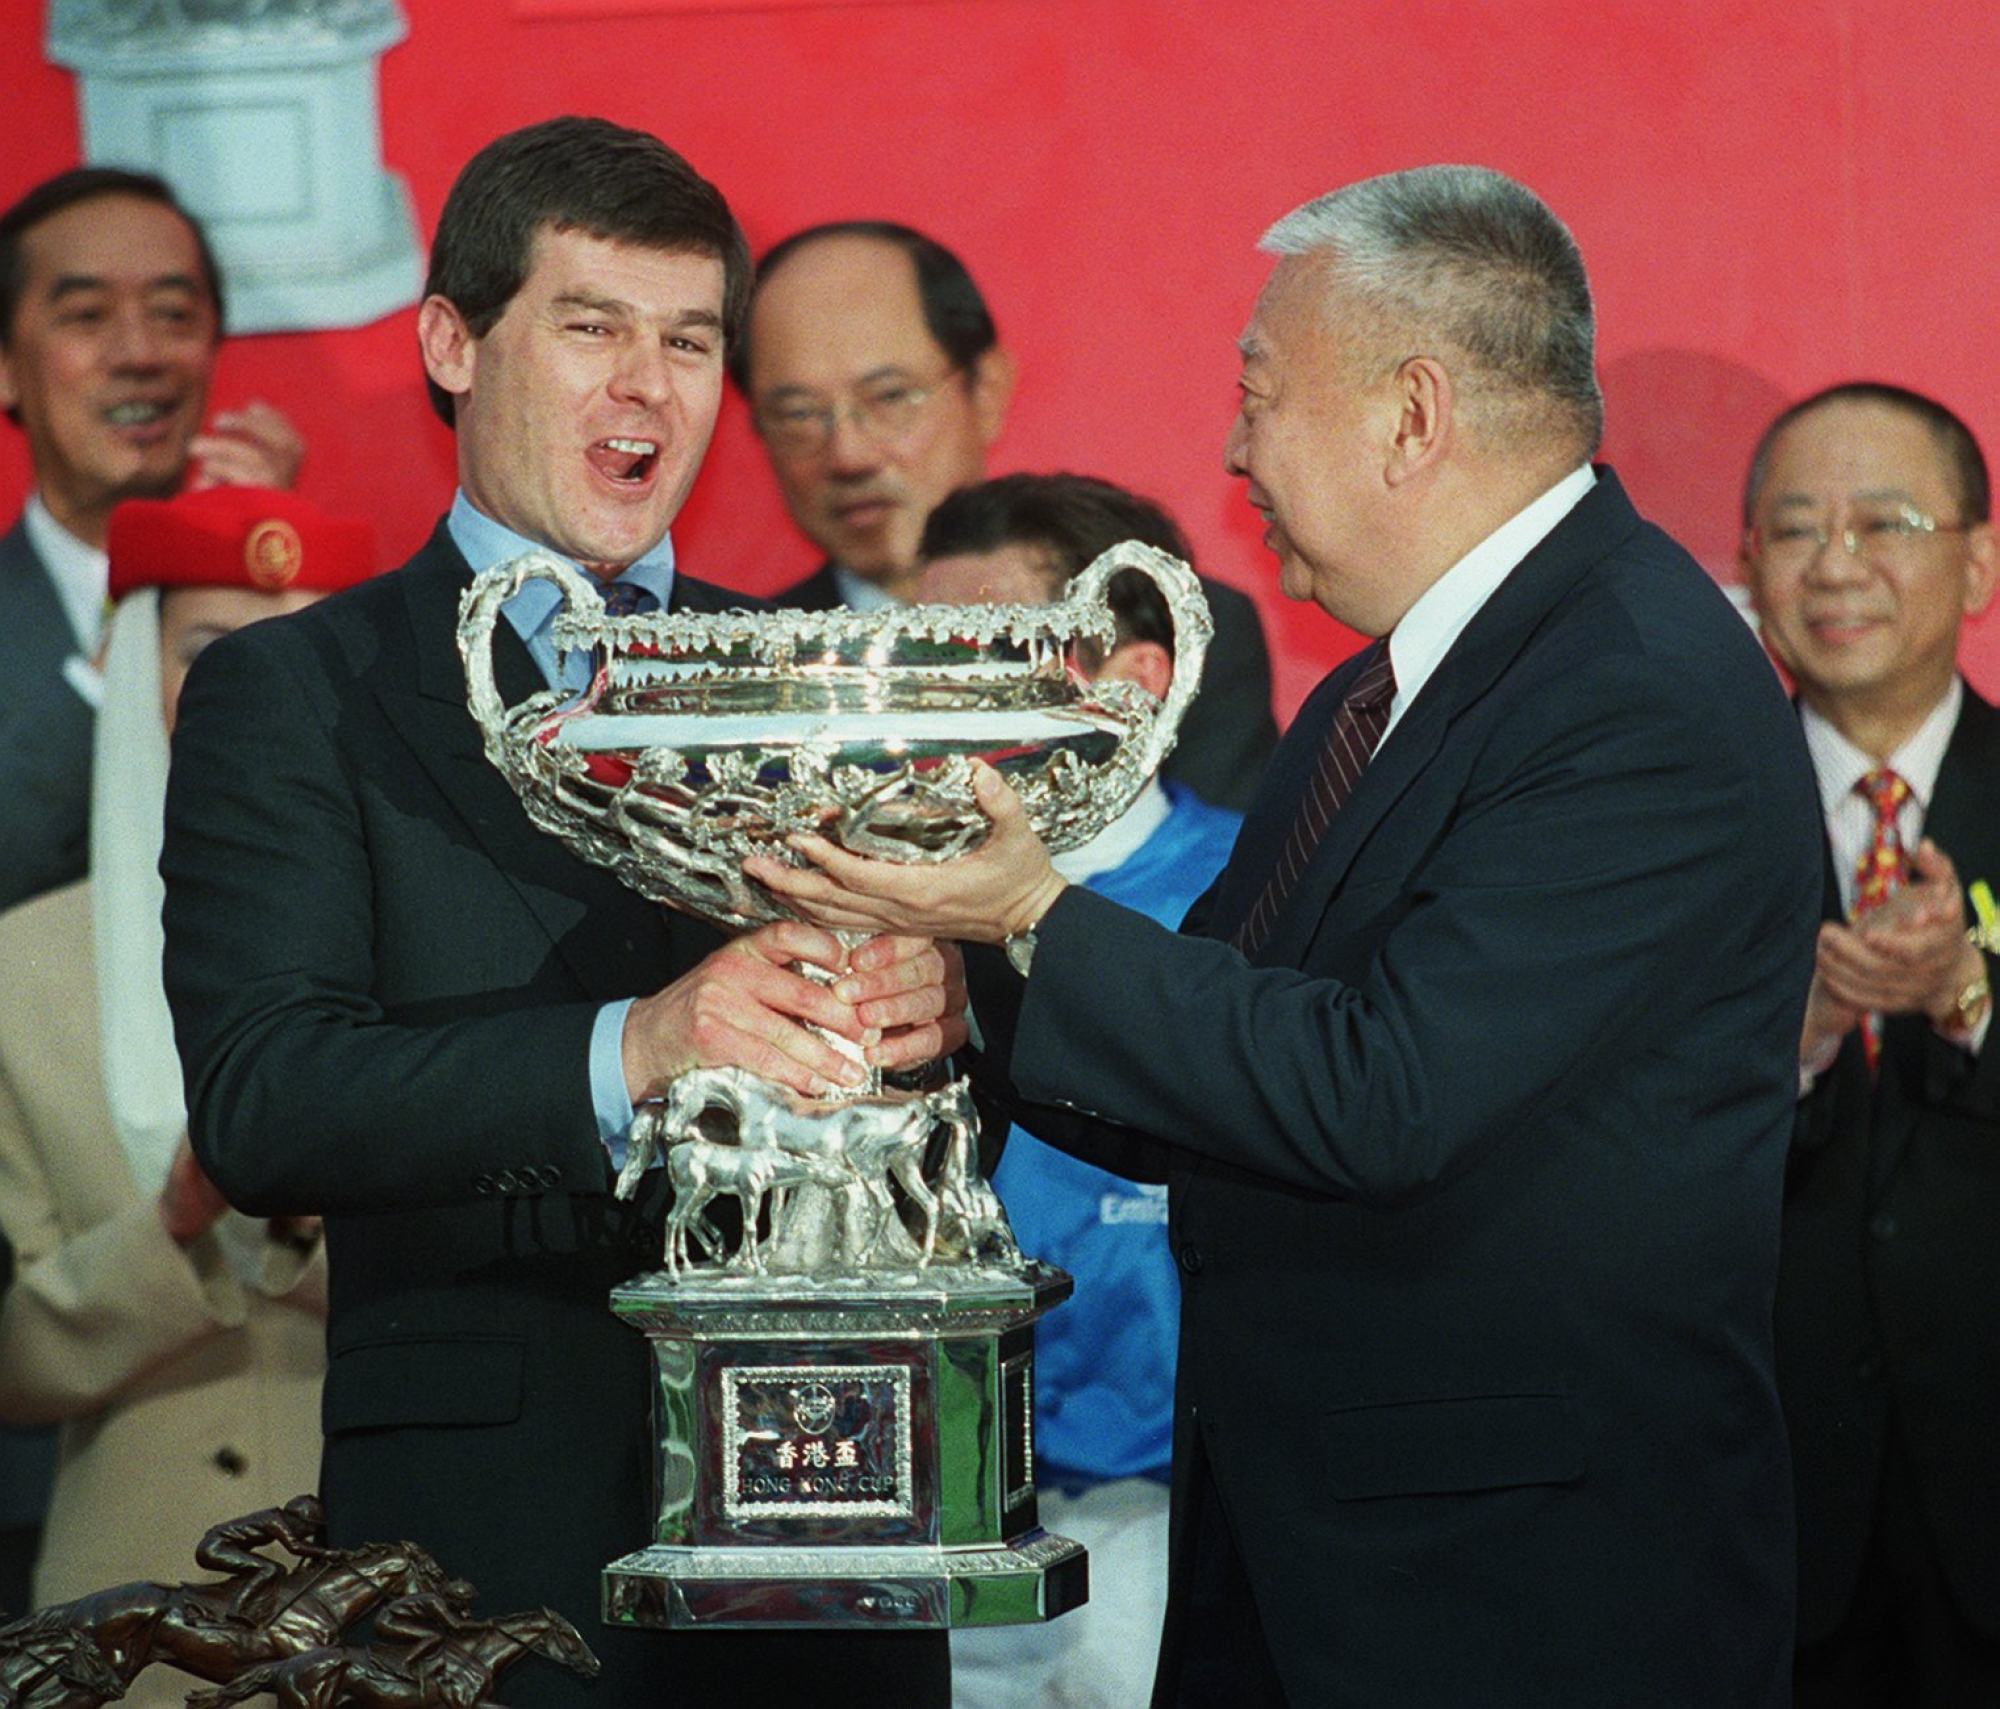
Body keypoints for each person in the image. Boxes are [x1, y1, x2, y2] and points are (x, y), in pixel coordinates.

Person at [752, 164, 1823, 1707]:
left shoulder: (1635, 688)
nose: (1234, 449)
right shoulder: (1379, 691)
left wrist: (1037, 911)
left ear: (1411, 412)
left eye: (1259, 394)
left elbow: (1383, 1093)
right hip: (1322, 1562)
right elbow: (1227, 1038)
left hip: (1521, 1596)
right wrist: (967, 989)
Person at [158, 118, 958, 1709]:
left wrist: (946, 1014)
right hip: (491, 1552)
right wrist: (633, 1045)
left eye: (687, 339)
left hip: (829, 1518)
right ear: (451, 343)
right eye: (590, 326)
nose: (646, 388)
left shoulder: (828, 677)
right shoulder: (299, 693)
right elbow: (265, 1097)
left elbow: (955, 1102)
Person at [0, 487, 361, 1700]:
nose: (261, 687)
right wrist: (178, 1218)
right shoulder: (17, 974)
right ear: (127, 660)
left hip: (382, 1591)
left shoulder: (415, 949)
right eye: (212, 651)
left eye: (300, 644)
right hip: (123, 1606)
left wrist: (309, 1205)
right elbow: (13, 1352)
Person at [919, 474, 1241, 1709]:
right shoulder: (876, 901)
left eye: (995, 650)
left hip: (1171, 1517)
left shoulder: (1252, 897)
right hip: (929, 1515)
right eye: (926, 654)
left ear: (1137, 677)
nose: (948, 697)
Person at [1738, 382, 2000, 1707]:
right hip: (1767, 1510)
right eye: (1795, 529)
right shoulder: (1681, 829)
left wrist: (1967, 994)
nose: (1835, 563)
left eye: (1883, 521)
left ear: (1980, 557)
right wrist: (1788, 1048)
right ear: (1745, 567)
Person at [729, 220, 1279, 811]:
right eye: (797, 414)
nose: (848, 455)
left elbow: (1219, 892)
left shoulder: (1171, 633)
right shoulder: (742, 666)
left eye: (889, 397)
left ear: (986, 390)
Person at [0, 167, 305, 912]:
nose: (140, 352)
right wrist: (118, 666)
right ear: (6, 366)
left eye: (173, 314)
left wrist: (278, 587)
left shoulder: (296, 596)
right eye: (87, 316)